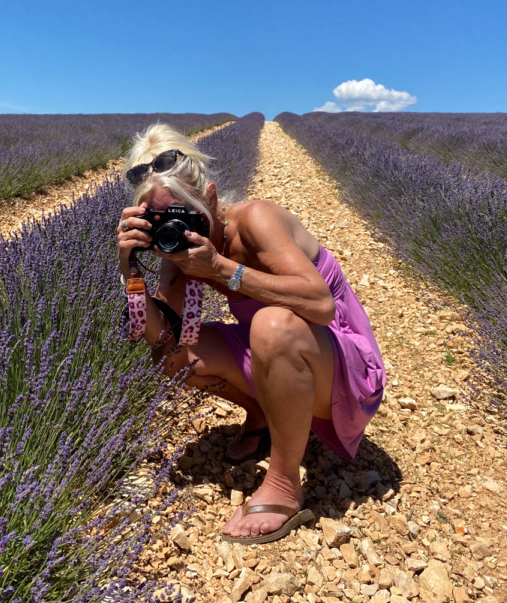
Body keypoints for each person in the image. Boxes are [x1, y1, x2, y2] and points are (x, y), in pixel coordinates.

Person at [116, 123, 386, 544]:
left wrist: (223, 270)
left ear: (210, 198)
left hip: (344, 362)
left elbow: (320, 306)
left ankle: (283, 483)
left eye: (180, 214)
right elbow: (165, 343)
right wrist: (129, 268)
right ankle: (264, 412)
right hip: (282, 351)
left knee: (271, 323)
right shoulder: (179, 249)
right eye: (158, 219)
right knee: (180, 359)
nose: (173, 228)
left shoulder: (255, 221)